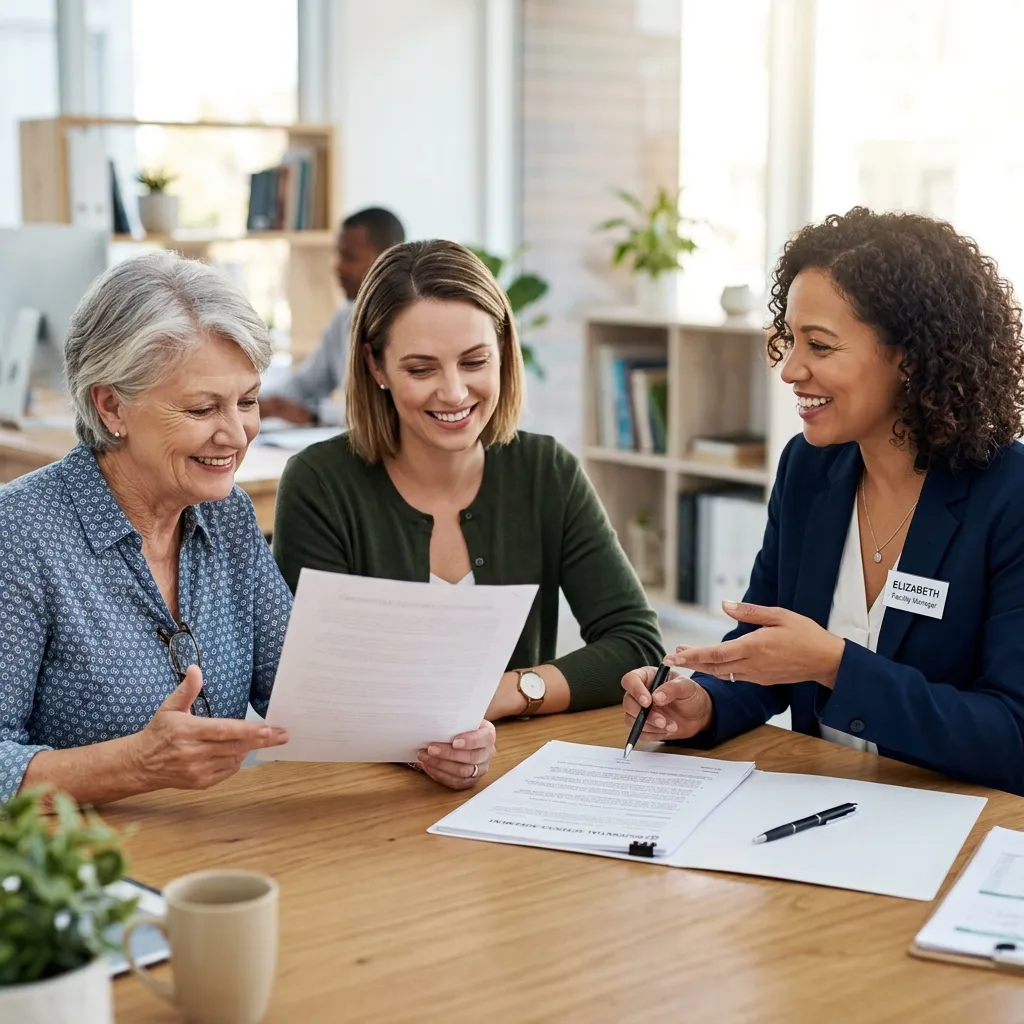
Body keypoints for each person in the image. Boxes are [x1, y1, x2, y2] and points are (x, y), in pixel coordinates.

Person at [623, 206, 1024, 795]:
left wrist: (834, 664)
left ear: (908, 357)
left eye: (820, 345)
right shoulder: (809, 468)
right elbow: (765, 653)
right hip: (823, 808)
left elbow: (1013, 737)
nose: (790, 370)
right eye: (790, 340)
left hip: (961, 831)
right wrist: (703, 702)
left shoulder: (1009, 495)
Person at [273, 239, 664, 790]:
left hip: (509, 778)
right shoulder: (319, 483)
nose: (454, 391)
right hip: (356, 793)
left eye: (475, 361)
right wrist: (427, 739)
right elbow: (317, 687)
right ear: (375, 365)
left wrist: (504, 696)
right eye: (421, 368)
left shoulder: (545, 470)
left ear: (504, 350)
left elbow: (637, 643)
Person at [0, 251, 294, 806]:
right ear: (111, 407)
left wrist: (431, 735)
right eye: (202, 409)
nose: (236, 435)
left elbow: (304, 690)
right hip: (78, 870)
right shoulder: (17, 535)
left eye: (248, 401)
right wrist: (134, 764)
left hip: (211, 851)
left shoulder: (225, 515)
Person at [259, 207, 406, 424]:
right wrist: (259, 402)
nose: (338, 268)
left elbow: (387, 409)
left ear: (387, 259)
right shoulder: (346, 315)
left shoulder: (409, 322)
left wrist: (313, 414)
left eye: (349, 257)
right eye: (338, 254)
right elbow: (307, 382)